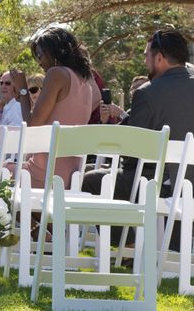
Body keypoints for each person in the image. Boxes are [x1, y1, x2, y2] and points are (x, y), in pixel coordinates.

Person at [82, 30, 194, 228]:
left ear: (159, 58)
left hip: (153, 184)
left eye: (146, 56)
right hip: (187, 187)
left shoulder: (147, 93)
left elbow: (131, 152)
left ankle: (128, 247)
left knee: (91, 181)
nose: (145, 62)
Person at [0, 27, 100, 189]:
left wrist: (23, 89)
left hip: (44, 173)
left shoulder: (56, 74)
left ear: (54, 51)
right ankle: (28, 214)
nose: (39, 62)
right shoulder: (86, 84)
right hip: (72, 177)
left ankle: (10, 214)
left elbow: (32, 127)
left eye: (40, 55)